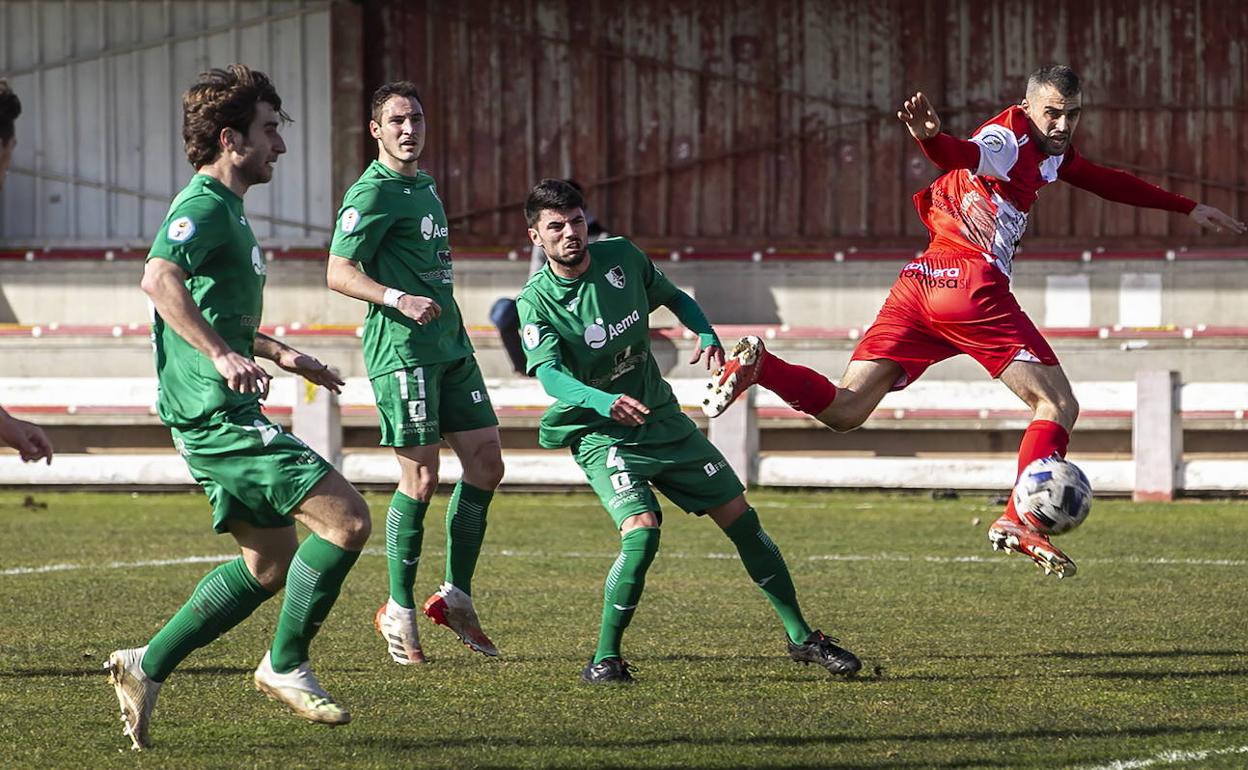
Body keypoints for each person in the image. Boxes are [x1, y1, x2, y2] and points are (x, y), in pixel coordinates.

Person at [705, 65, 1247, 579]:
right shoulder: (1007, 139)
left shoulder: (1052, 151)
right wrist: (930, 139)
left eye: (1073, 113)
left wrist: (1187, 207)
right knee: (1057, 404)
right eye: (1052, 112)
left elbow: (1106, 180)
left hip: (920, 282)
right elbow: (961, 154)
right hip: (969, 285)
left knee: (846, 408)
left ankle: (761, 366)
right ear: (1027, 105)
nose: (1062, 124)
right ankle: (1020, 517)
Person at [107, 65, 371, 750]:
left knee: (269, 564)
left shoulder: (229, 215)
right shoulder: (201, 205)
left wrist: (280, 353)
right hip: (214, 414)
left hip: (217, 410)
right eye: (270, 131)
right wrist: (223, 360)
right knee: (347, 522)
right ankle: (285, 663)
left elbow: (213, 309)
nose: (280, 145)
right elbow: (158, 277)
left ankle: (147, 664)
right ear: (232, 139)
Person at [517, 178, 861, 684]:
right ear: (535, 237)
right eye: (556, 227)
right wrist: (604, 402)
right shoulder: (536, 302)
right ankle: (604, 659)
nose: (570, 233)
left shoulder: (622, 258)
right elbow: (549, 375)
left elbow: (674, 297)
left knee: (742, 519)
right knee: (642, 533)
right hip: (601, 432)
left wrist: (705, 333)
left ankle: (801, 638)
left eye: (575, 221)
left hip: (661, 418)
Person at [326, 81, 503, 665]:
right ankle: (398, 612)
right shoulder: (370, 193)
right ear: (375, 129)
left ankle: (453, 596)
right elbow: (337, 270)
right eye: (397, 120)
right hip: (402, 350)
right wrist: (396, 298)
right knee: (421, 479)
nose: (409, 129)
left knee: (486, 462)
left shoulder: (423, 185)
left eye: (417, 119)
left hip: (450, 344)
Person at [0, 78, 20, 189]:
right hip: (6, 135)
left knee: (5, 159)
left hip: (6, 135)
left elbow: (16, 111)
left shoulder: (11, 99)